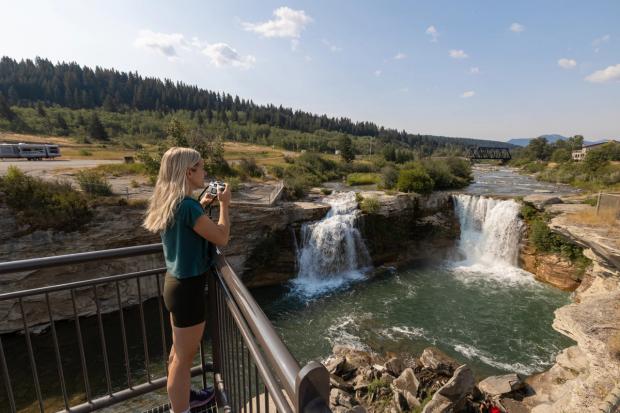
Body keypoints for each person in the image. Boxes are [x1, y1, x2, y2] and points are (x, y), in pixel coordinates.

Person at [143, 147, 231, 413]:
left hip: (174, 285)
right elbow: (221, 237)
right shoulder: (188, 206)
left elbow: (188, 226)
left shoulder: (173, 203)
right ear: (188, 171)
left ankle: (183, 398)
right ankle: (179, 410)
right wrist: (225, 205)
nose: (205, 172)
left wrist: (203, 206)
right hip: (189, 291)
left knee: (177, 354)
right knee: (183, 359)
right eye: (201, 167)